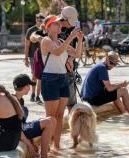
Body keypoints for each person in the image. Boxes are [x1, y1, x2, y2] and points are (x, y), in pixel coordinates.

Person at [40, 15, 83, 150]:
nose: (60, 26)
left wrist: (80, 40)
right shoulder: (45, 41)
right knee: (50, 117)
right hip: (50, 79)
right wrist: (71, 36)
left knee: (59, 116)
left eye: (60, 24)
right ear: (48, 27)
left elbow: (76, 54)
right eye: (56, 24)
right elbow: (58, 53)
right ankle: (46, 148)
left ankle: (57, 147)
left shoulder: (60, 41)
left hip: (63, 78)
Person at [81, 52, 129, 119]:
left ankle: (123, 114)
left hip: (87, 97)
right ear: (106, 59)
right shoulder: (102, 68)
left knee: (116, 92)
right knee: (123, 91)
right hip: (92, 99)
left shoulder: (99, 65)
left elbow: (108, 87)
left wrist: (119, 85)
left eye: (115, 64)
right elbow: (109, 88)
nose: (112, 66)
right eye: (112, 63)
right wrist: (122, 84)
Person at [12, 74, 56, 158]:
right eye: (29, 85)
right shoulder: (13, 101)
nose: (30, 88)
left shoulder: (20, 99)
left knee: (52, 119)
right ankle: (44, 156)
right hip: (16, 132)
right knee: (47, 122)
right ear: (25, 87)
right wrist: (30, 145)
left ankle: (46, 148)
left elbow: (23, 123)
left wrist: (32, 141)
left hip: (21, 128)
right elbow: (16, 127)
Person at [24, 13, 45, 104]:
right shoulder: (31, 30)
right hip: (33, 56)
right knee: (35, 76)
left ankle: (37, 95)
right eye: (39, 20)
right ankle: (33, 94)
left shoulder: (45, 30)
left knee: (40, 77)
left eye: (42, 20)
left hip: (43, 56)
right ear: (36, 20)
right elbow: (27, 45)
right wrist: (25, 58)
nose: (40, 22)